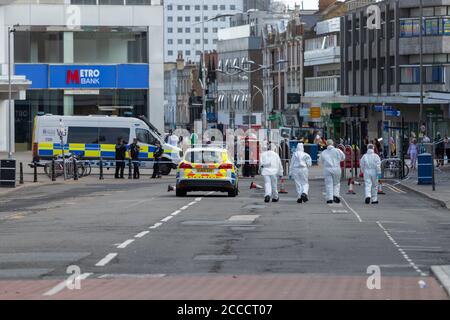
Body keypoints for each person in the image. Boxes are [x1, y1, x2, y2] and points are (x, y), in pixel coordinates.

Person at [319, 139, 345, 204]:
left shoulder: (324, 152)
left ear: (326, 144)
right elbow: (343, 157)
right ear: (333, 144)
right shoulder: (338, 150)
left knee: (328, 184)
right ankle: (336, 195)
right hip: (336, 168)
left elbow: (320, 161)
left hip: (327, 169)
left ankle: (329, 198)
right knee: (336, 183)